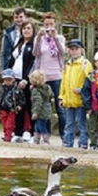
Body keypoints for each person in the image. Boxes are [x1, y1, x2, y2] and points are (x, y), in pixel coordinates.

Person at [33, 12, 66, 140]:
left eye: (51, 24)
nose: (49, 27)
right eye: (46, 24)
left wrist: (55, 38)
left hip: (57, 76)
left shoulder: (60, 38)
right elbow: (35, 53)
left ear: (55, 25)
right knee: (44, 107)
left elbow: (62, 53)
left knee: (60, 107)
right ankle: (45, 135)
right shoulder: (39, 39)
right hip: (43, 78)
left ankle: (64, 136)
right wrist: (38, 38)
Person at [59, 39, 93, 149]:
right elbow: (63, 83)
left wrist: (82, 90)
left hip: (81, 100)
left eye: (76, 49)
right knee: (69, 124)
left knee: (82, 124)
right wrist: (61, 97)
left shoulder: (86, 64)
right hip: (68, 100)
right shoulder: (67, 65)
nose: (74, 51)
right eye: (71, 49)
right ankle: (67, 142)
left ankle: (83, 143)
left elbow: (90, 81)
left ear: (82, 50)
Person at [9, 20, 37, 142]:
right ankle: (18, 132)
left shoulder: (34, 45)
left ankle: (31, 133)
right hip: (16, 78)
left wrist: (26, 79)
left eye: (29, 28)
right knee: (18, 106)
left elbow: (32, 63)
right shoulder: (19, 43)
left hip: (27, 80)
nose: (26, 30)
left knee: (29, 106)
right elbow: (12, 60)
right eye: (24, 28)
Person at [0, 69, 25, 142]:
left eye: (9, 79)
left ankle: (8, 136)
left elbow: (22, 99)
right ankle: (7, 134)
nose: (7, 81)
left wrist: (20, 105)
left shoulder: (17, 89)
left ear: (13, 79)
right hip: (3, 108)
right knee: (4, 123)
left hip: (12, 109)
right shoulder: (1, 88)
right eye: (5, 80)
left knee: (10, 124)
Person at [29, 70, 53, 145]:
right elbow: (51, 96)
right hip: (47, 109)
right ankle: (36, 139)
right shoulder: (47, 88)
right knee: (37, 126)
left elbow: (38, 102)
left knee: (41, 126)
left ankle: (45, 140)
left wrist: (35, 112)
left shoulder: (36, 91)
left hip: (40, 111)